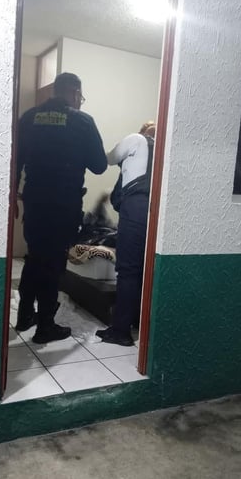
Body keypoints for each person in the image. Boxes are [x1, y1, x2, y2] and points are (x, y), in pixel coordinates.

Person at [15, 72, 107, 343]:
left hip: (34, 202)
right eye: (81, 96)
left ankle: (24, 316)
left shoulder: (29, 117)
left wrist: (11, 197)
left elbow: (15, 160)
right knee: (53, 264)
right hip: (63, 204)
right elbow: (99, 166)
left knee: (34, 257)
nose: (80, 101)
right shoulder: (82, 121)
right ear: (75, 93)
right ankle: (45, 327)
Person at [96, 122, 155, 346]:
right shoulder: (163, 150)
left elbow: (108, 159)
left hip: (137, 206)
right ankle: (139, 320)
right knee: (146, 268)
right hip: (158, 209)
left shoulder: (136, 139)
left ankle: (120, 331)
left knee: (129, 270)